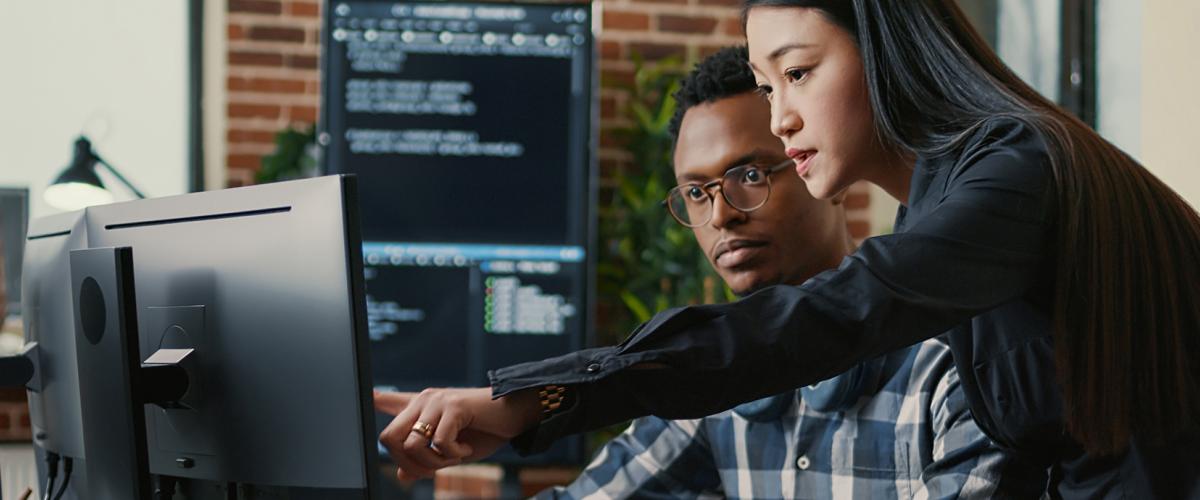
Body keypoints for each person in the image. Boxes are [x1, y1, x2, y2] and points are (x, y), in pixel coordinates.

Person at [375, 1, 1200, 497]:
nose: (780, 118)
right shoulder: (941, 213)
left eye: (798, 74)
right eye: (767, 89)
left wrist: (539, 400)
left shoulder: (1017, 173)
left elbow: (827, 317)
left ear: (882, 47)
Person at [531, 45, 1040, 499]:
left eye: (750, 176)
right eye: (695, 192)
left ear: (823, 173)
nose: (721, 213)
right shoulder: (714, 386)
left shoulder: (951, 358)